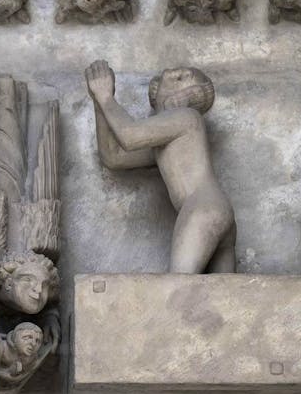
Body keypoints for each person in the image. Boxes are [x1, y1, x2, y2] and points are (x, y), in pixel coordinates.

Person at [85, 60, 236, 273]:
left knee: (176, 291)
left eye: (186, 78)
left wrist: (106, 97)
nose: (179, 72)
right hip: (217, 209)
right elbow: (114, 157)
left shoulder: (186, 117)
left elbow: (129, 136)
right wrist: (99, 103)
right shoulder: (170, 142)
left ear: (193, 96)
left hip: (203, 208)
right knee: (221, 300)